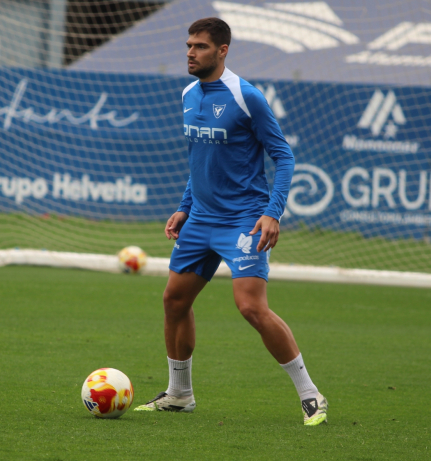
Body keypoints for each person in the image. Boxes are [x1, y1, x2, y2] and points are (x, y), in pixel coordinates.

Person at [134, 17, 327, 426]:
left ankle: (311, 395)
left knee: (250, 308)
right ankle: (180, 394)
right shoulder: (188, 93)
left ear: (222, 51)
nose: (190, 52)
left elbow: (284, 156)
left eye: (200, 46)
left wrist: (272, 212)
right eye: (188, 45)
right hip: (200, 219)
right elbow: (199, 159)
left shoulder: (246, 96)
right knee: (174, 301)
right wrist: (186, 206)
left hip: (243, 220)